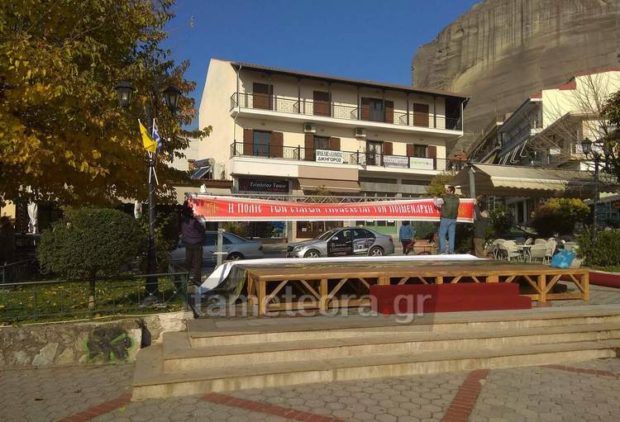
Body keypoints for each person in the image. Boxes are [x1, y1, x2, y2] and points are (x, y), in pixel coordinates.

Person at [180, 202, 206, 286]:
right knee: (197, 263)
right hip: (197, 244)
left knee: (187, 262)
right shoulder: (194, 221)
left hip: (187, 243)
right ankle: (197, 280)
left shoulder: (183, 222)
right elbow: (202, 229)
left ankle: (185, 279)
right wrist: (203, 224)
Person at [435, 185, 460, 254]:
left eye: (448, 190)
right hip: (453, 219)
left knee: (442, 234)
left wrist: (435, 199)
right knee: (452, 235)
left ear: (452, 191)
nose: (446, 191)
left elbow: (436, 204)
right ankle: (451, 250)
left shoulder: (444, 198)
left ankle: (443, 250)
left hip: (445, 219)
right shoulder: (457, 199)